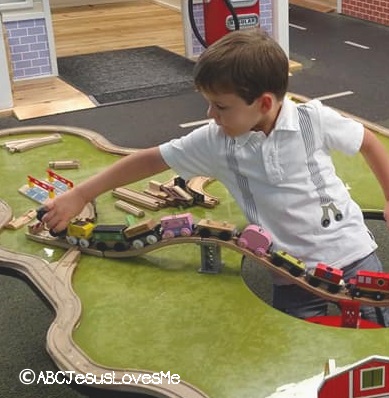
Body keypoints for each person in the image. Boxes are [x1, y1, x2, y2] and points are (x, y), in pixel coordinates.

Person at [42, 28, 389, 326]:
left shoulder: (314, 119)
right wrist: (82, 194)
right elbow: (151, 159)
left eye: (221, 106)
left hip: (354, 252)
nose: (211, 114)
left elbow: (368, 142)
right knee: (299, 346)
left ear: (265, 103)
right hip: (290, 274)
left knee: (376, 339)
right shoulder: (216, 140)